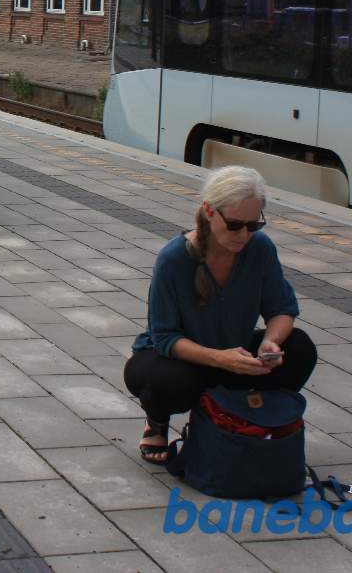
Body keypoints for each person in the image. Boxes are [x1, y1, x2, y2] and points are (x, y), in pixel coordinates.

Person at [124, 165, 316, 464]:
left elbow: (282, 309)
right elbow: (164, 338)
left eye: (254, 226)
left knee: (299, 348)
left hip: (234, 355)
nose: (244, 235)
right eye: (235, 224)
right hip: (185, 360)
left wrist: (271, 342)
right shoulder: (174, 258)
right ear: (209, 211)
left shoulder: (260, 250)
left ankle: (239, 413)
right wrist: (220, 358)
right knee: (158, 377)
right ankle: (157, 422)